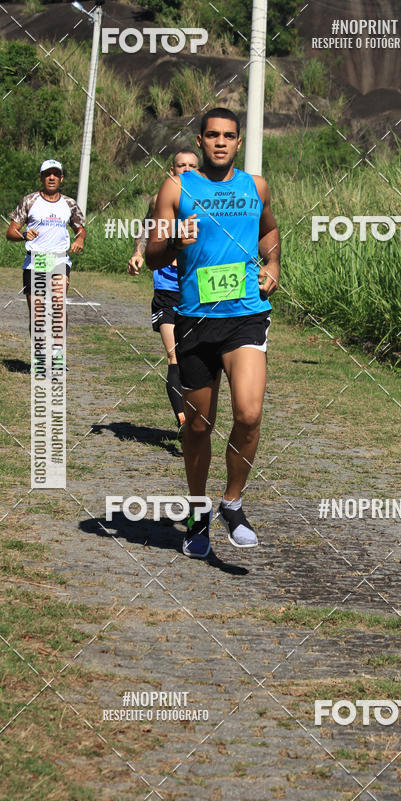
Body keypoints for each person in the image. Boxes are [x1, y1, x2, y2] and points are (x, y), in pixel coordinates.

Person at [146, 108, 281, 558]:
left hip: (245, 313)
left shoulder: (255, 186)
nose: (220, 142)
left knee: (248, 413)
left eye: (228, 136)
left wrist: (273, 265)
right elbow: (151, 254)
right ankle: (198, 510)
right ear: (200, 141)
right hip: (194, 319)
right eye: (211, 135)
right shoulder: (178, 187)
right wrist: (173, 243)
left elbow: (270, 231)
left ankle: (233, 502)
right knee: (199, 426)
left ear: (238, 142)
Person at [128, 150, 199, 432]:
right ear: (172, 169)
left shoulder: (208, 201)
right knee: (175, 356)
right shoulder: (160, 199)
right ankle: (183, 419)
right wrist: (138, 252)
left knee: (196, 359)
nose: (186, 170)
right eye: (181, 165)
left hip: (196, 290)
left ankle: (197, 414)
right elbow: (147, 227)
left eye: (192, 165)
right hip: (167, 289)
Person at [6, 159, 85, 364]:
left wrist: (80, 239)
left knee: (58, 306)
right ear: (41, 177)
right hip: (36, 261)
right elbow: (10, 232)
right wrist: (23, 235)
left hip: (58, 260)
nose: (51, 177)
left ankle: (58, 353)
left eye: (55, 174)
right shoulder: (30, 201)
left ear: (61, 178)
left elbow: (80, 228)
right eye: (47, 174)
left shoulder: (69, 204)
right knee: (38, 312)